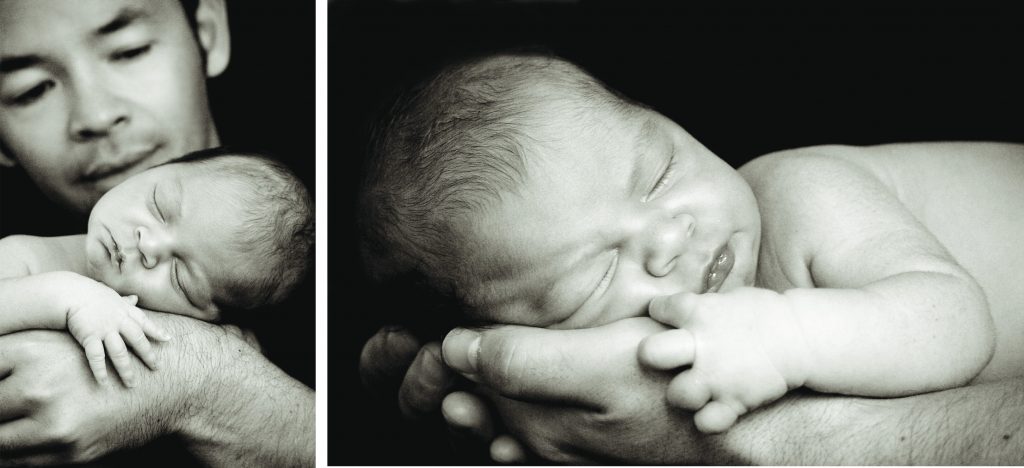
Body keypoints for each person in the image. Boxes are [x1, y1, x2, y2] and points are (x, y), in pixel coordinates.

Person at [359, 52, 1024, 463]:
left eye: (658, 172)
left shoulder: (802, 197)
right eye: (591, 279)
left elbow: (958, 323)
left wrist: (788, 337)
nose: (669, 236)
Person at [0, 1, 313, 466]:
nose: (97, 116)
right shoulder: (31, 254)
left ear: (207, 30)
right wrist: (68, 297)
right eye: (31, 90)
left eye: (128, 51)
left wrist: (212, 382)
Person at [0, 149, 313, 388]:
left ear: (210, 322)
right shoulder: (25, 255)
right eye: (159, 205)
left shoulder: (191, 345)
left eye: (180, 277)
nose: (148, 246)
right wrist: (72, 298)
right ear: (150, 171)